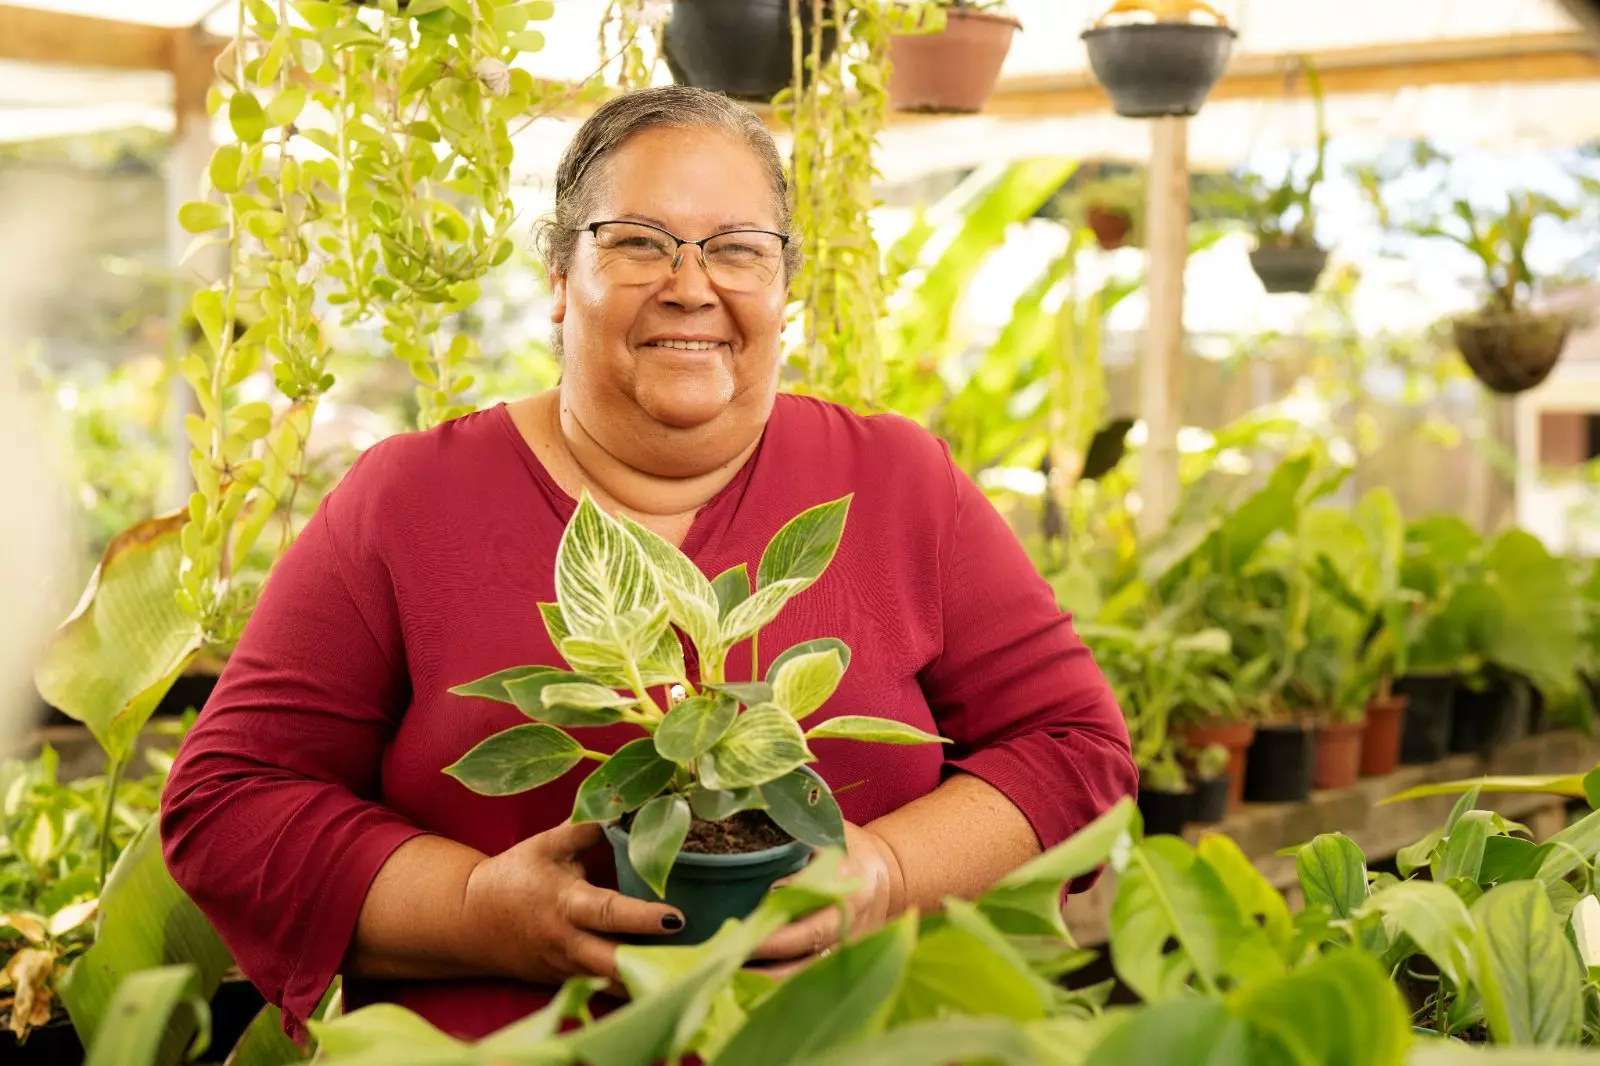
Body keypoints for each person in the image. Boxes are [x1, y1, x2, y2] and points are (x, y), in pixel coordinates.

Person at [159, 84, 1136, 1044]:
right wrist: (471, 906)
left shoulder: (895, 481)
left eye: (738, 249)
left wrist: (886, 871)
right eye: (637, 241)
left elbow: (1075, 748)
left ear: (784, 287)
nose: (690, 283)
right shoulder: (405, 500)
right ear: (555, 277)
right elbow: (229, 803)